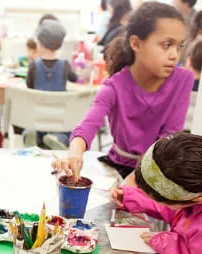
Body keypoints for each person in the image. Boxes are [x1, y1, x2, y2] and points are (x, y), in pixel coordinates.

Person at [52, 2, 194, 180]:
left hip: (158, 169)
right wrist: (75, 155)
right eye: (166, 45)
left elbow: (169, 137)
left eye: (179, 46)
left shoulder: (182, 80)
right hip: (117, 168)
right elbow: (87, 126)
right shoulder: (113, 87)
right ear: (136, 43)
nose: (174, 55)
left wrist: (137, 181)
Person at [111, 133, 202, 254]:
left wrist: (174, 246)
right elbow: (176, 210)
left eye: (162, 200)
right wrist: (132, 197)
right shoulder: (193, 192)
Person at [25, 19, 78, 150]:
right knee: (68, 132)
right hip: (59, 118)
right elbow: (75, 78)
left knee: (30, 128)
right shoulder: (65, 65)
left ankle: (33, 135)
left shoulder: (33, 66)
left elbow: (29, 87)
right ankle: (57, 138)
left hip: (37, 117)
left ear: (40, 44)